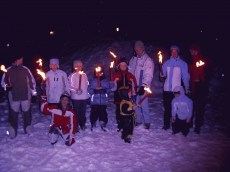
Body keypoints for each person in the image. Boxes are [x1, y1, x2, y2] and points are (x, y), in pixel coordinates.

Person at [1, 55, 37, 138]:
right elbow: (3, 83)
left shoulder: (25, 69)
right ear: (16, 60)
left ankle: (28, 128)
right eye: (21, 59)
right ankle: (12, 130)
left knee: (27, 113)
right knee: (13, 113)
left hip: (25, 95)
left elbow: (32, 82)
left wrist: (34, 93)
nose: (22, 60)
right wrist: (7, 87)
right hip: (14, 96)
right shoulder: (8, 70)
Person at [160, 45, 190, 130]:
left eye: (175, 52)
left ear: (178, 52)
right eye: (172, 52)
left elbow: (185, 77)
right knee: (167, 108)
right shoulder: (166, 63)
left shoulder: (183, 64)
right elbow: (162, 75)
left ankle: (176, 125)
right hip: (166, 89)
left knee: (176, 107)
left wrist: (187, 87)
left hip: (177, 90)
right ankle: (166, 124)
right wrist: (162, 75)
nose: (174, 53)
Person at [129, 40, 154, 129]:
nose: (137, 51)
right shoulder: (133, 59)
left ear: (142, 48)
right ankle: (138, 120)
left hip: (143, 86)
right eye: (135, 49)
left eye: (138, 49)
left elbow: (149, 74)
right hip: (134, 86)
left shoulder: (147, 60)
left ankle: (147, 122)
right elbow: (130, 71)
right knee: (136, 104)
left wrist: (144, 85)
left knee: (144, 104)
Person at [112, 57, 137, 132]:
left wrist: (133, 92)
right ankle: (120, 124)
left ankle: (126, 124)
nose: (123, 67)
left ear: (127, 66)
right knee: (119, 111)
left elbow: (134, 85)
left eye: (125, 65)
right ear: (119, 66)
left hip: (127, 97)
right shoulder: (116, 75)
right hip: (118, 96)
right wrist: (114, 83)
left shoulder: (130, 75)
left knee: (126, 110)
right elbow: (112, 88)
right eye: (121, 65)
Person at [188, 44, 209, 134]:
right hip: (193, 87)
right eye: (191, 51)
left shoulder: (202, 60)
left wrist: (201, 79)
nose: (191, 52)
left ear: (196, 50)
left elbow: (206, 73)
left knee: (199, 108)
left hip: (201, 87)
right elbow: (189, 73)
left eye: (192, 50)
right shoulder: (191, 61)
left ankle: (198, 126)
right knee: (191, 106)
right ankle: (190, 123)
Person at [68, 60, 89, 131]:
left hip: (84, 97)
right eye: (77, 66)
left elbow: (86, 84)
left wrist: (86, 93)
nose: (79, 67)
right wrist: (76, 90)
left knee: (83, 112)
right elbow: (69, 86)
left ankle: (82, 124)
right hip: (76, 97)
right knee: (76, 112)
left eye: (80, 66)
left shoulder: (84, 75)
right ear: (74, 67)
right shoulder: (72, 75)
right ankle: (76, 125)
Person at [88, 66, 111, 131]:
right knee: (94, 112)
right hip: (94, 100)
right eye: (97, 73)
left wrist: (104, 90)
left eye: (100, 73)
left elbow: (109, 89)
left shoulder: (106, 81)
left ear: (103, 73)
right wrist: (94, 90)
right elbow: (89, 89)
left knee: (103, 112)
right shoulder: (92, 81)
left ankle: (103, 122)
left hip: (103, 100)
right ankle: (93, 122)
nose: (98, 74)